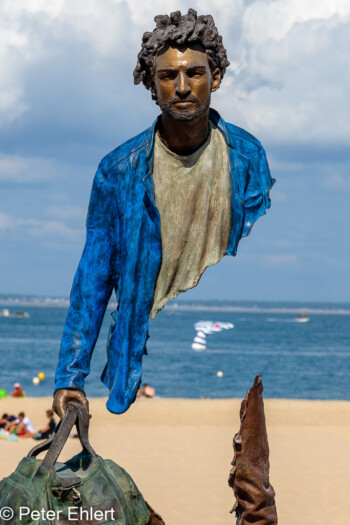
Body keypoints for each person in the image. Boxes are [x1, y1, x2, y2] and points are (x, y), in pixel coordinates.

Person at [53, 9, 274, 418]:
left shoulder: (248, 159)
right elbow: (93, 276)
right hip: (132, 335)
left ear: (217, 78)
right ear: (152, 87)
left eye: (195, 72)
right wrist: (70, 377)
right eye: (168, 76)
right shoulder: (118, 170)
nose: (183, 87)